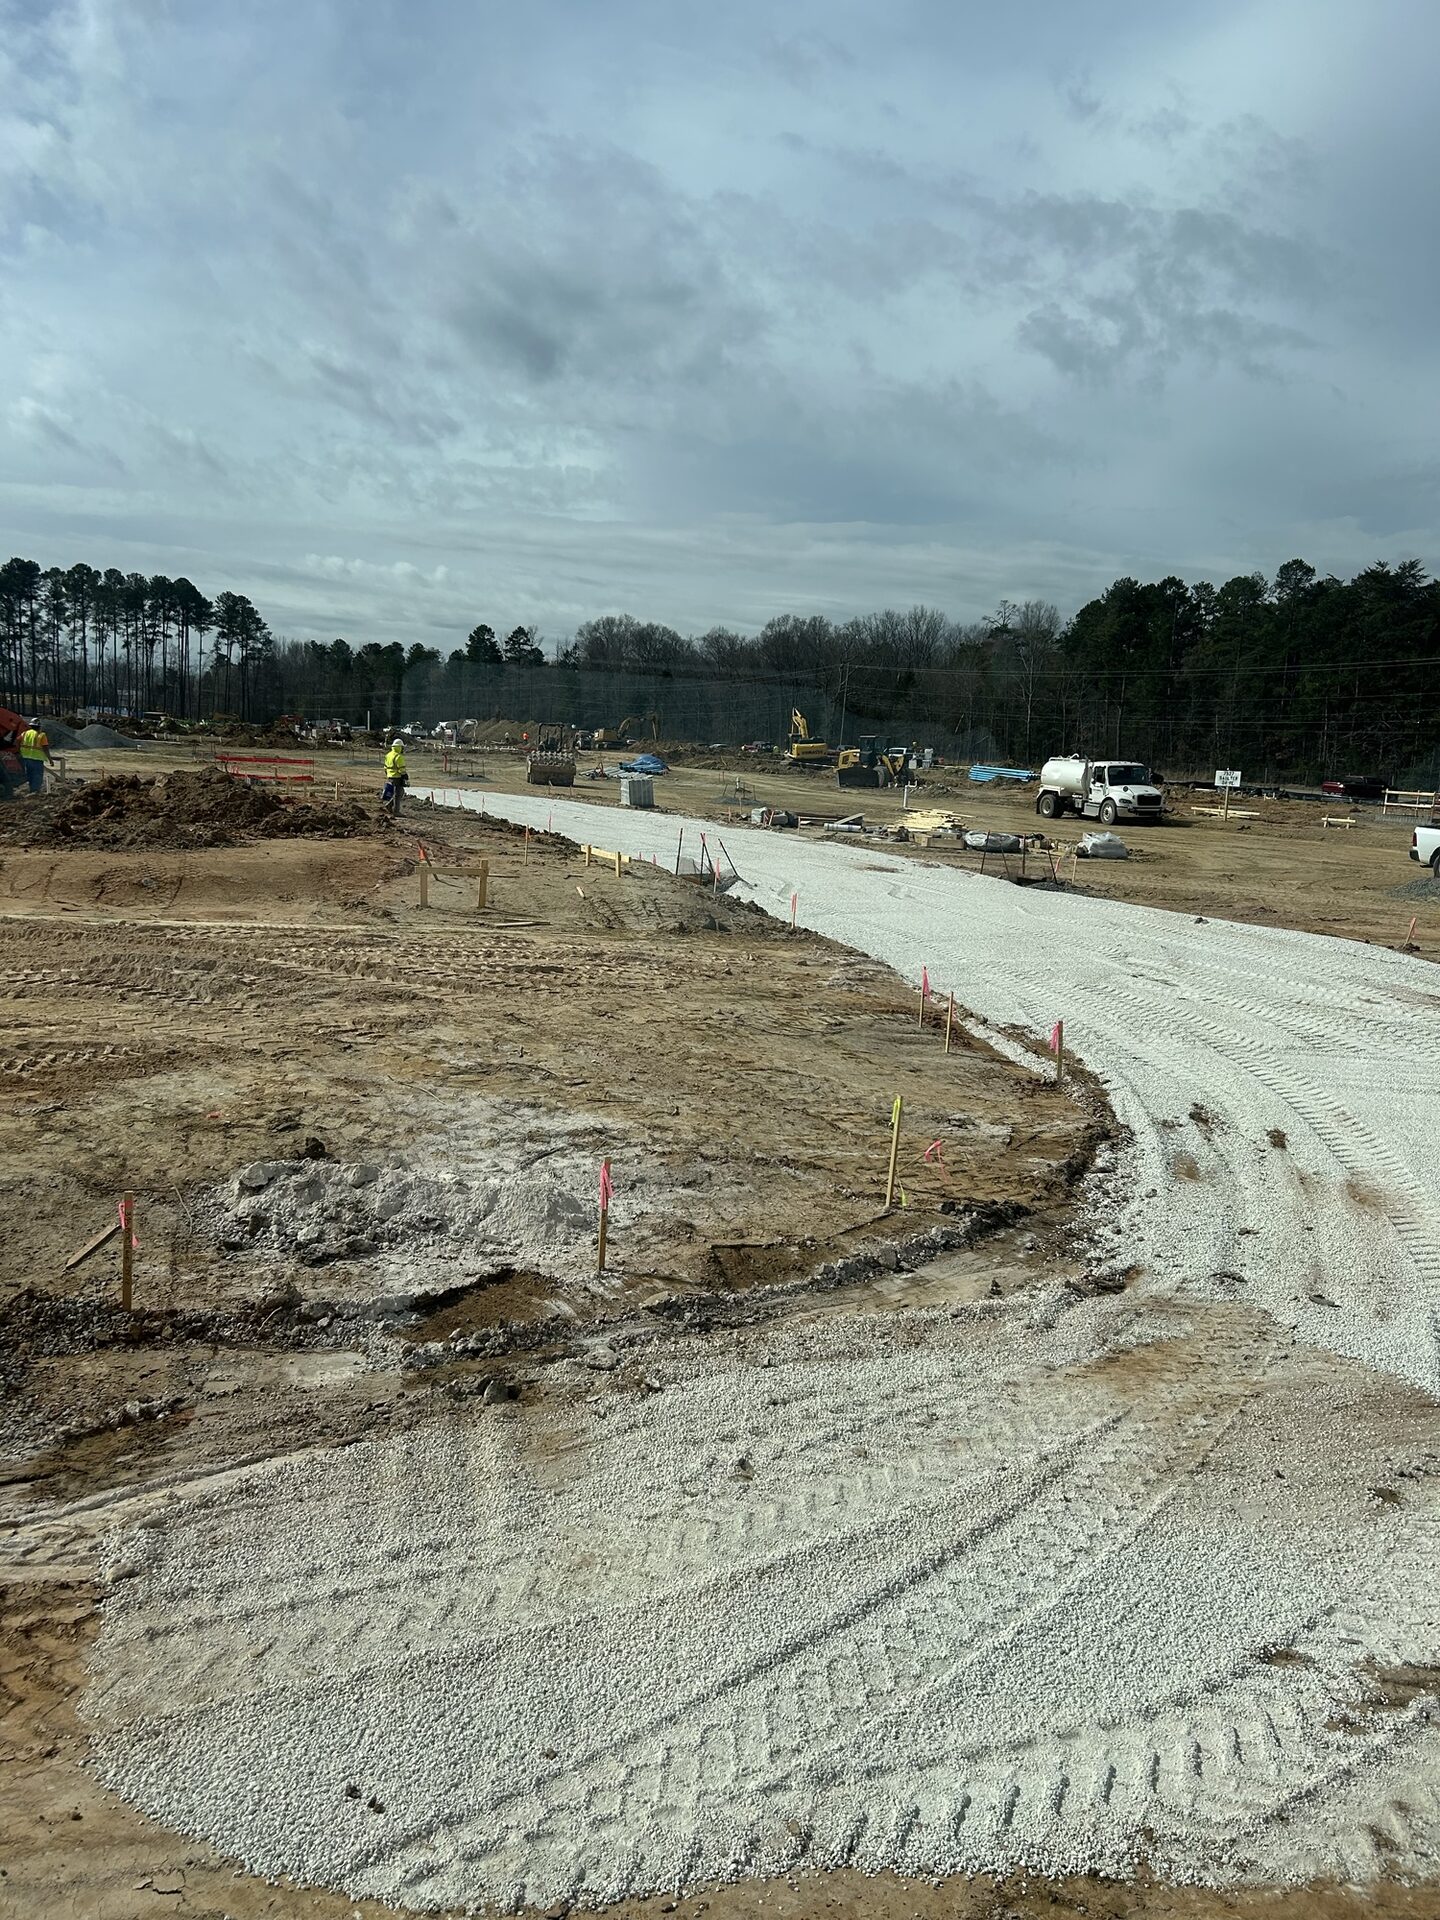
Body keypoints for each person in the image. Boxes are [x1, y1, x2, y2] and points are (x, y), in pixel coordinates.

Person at [19, 718, 54, 796]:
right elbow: (45, 748)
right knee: (37, 776)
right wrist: (50, 760)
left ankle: (31, 790)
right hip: (37, 759)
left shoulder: (24, 733)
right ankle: (35, 792)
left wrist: (19, 752)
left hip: (26, 758)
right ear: (39, 726)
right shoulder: (41, 735)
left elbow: (17, 741)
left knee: (30, 775)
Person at [382, 736, 408, 815]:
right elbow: (401, 769)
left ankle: (389, 805)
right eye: (402, 747)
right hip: (397, 777)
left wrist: (388, 774)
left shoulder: (388, 755)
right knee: (398, 794)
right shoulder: (399, 757)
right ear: (399, 747)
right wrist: (405, 775)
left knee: (397, 792)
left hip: (390, 776)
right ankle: (396, 811)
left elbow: (385, 767)